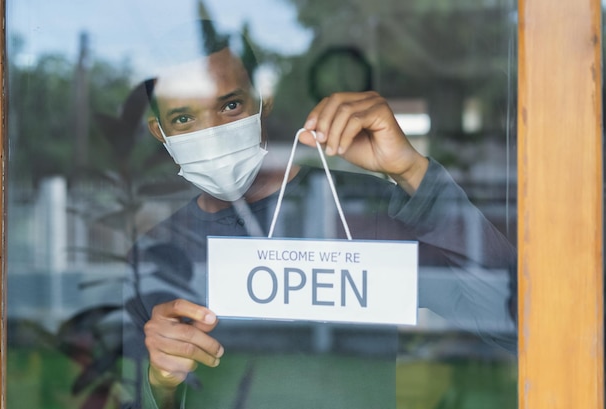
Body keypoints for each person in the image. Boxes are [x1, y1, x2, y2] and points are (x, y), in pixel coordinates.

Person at [124, 20, 517, 409]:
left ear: (264, 99)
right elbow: (128, 399)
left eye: (230, 105)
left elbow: (513, 322)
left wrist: (413, 171)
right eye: (183, 118)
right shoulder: (155, 254)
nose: (211, 132)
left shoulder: (364, 212)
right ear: (159, 131)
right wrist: (160, 385)